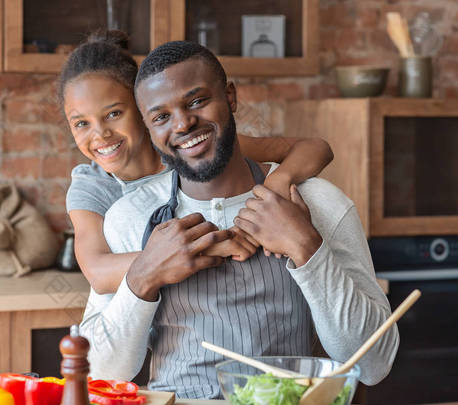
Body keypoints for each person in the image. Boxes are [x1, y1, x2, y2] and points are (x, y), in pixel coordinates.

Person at [79, 40, 399, 398]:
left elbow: (374, 365)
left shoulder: (320, 203)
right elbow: (98, 374)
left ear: (230, 97)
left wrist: (307, 247)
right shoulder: (131, 217)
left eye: (197, 101)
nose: (183, 123)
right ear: (150, 129)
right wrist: (143, 275)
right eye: (161, 117)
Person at [60, 30, 333, 294]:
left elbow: (314, 147)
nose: (100, 134)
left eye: (114, 113)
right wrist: (207, 247)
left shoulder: (192, 147)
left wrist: (277, 184)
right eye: (82, 123)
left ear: (144, 108)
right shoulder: (91, 186)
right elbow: (97, 273)